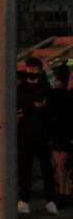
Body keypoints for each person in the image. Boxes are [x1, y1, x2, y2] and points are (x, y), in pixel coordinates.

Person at [16, 57, 58, 216]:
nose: (32, 70)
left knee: (46, 168)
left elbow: (52, 105)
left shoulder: (45, 86)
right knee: (25, 168)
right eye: (30, 67)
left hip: (42, 134)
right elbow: (20, 105)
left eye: (35, 68)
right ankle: (24, 200)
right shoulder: (22, 87)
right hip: (26, 134)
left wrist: (41, 108)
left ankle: (50, 200)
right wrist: (32, 107)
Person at [48, 65, 72, 207]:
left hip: (63, 132)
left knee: (62, 165)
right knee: (60, 166)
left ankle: (64, 192)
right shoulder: (59, 95)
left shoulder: (64, 96)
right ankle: (64, 192)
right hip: (59, 132)